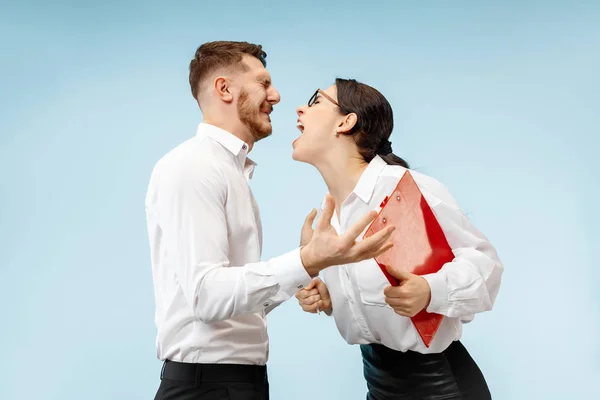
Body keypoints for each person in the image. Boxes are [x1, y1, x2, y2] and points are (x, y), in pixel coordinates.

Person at [144, 42, 395, 400]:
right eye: (263, 83)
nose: (275, 95)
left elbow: (236, 304)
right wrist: (308, 261)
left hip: (236, 383)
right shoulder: (194, 167)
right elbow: (206, 297)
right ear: (224, 89)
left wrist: (306, 266)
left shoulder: (230, 172)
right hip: (208, 387)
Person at [294, 79, 503, 399]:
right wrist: (330, 296)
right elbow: (375, 300)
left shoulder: (402, 190)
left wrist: (430, 291)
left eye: (316, 101)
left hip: (439, 388)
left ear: (345, 122)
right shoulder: (333, 212)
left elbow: (486, 267)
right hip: (379, 385)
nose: (301, 108)